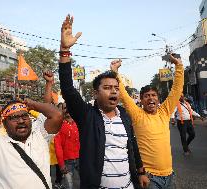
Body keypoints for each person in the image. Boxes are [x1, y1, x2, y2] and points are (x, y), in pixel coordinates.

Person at [58, 14, 149, 188]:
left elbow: (133, 145)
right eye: (107, 88)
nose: (113, 91)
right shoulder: (87, 116)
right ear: (95, 93)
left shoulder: (124, 115)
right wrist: (64, 50)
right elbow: (68, 90)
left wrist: (141, 171)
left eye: (115, 88)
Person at [110, 54, 184, 189]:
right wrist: (115, 72)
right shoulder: (137, 114)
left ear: (158, 98)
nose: (151, 98)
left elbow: (176, 91)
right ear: (142, 100)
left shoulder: (165, 112)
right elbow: (124, 95)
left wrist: (179, 66)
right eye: (146, 96)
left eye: (153, 95)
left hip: (169, 175)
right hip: (149, 178)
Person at [54, 102, 80, 189]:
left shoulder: (79, 123)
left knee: (86, 183)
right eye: (65, 108)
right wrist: (61, 164)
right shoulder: (58, 125)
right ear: (62, 110)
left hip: (80, 159)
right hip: (67, 162)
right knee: (69, 186)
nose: (68, 109)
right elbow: (58, 146)